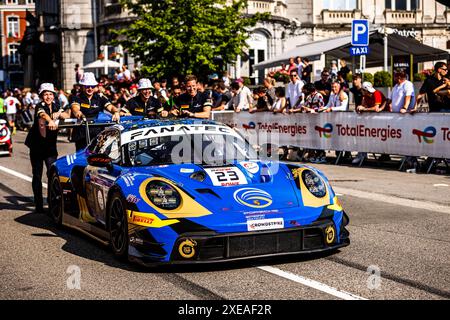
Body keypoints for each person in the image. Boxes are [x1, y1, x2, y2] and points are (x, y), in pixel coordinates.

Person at [25, 83, 69, 213]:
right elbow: (42, 114)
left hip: (50, 146)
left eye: (50, 94)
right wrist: (50, 120)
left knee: (52, 173)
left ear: (54, 95)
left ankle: (51, 202)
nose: (48, 97)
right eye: (45, 94)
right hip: (37, 146)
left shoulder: (56, 106)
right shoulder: (40, 106)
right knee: (37, 174)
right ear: (41, 96)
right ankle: (38, 204)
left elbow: (67, 115)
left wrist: (60, 113)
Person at [70, 72, 121, 151]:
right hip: (82, 133)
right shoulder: (76, 97)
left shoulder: (100, 97)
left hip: (98, 134)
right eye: (87, 86)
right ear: (82, 86)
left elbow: (111, 107)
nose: (90, 88)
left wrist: (116, 112)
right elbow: (75, 108)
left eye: (92, 86)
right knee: (82, 159)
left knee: (97, 159)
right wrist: (78, 113)